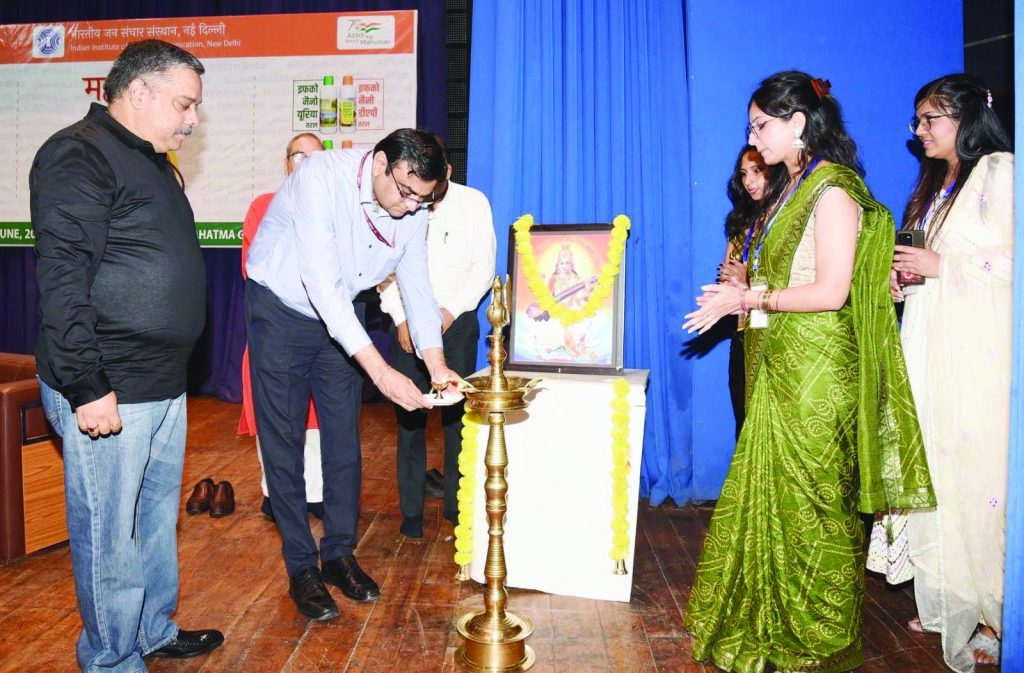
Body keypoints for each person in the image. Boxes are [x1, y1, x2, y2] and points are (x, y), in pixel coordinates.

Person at [681, 71, 935, 673]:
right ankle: (773, 620)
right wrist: (744, 287)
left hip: (821, 375)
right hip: (783, 365)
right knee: (780, 502)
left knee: (817, 506)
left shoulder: (833, 190)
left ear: (797, 123)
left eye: (760, 125)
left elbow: (831, 291)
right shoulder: (790, 190)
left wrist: (749, 298)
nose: (753, 137)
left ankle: (819, 637)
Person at [30, 40, 224, 671]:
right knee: (109, 534)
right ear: (138, 92)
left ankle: (151, 632)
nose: (192, 119)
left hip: (162, 384)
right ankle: (112, 659)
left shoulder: (153, 161)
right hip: (108, 383)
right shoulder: (78, 154)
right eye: (184, 104)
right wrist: (87, 384)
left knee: (153, 521)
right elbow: (62, 280)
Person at [245, 128, 462, 621]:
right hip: (282, 308)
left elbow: (417, 287)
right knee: (284, 441)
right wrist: (381, 373)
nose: (411, 207)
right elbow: (321, 286)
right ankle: (302, 566)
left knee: (344, 439)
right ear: (381, 163)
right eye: (406, 193)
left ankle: (339, 553)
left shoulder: (414, 207)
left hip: (343, 308)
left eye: (423, 199)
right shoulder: (320, 178)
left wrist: (437, 365)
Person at [892, 74, 1013, 671]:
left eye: (930, 119)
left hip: (977, 357)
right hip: (933, 348)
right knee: (939, 471)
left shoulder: (999, 172)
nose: (919, 131)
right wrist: (907, 278)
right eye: (917, 120)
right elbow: (935, 264)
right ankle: (954, 601)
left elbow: (1013, 260)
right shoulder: (939, 186)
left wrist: (944, 264)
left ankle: (999, 615)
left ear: (966, 119)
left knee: (979, 475)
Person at [378, 136, 496, 538]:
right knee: (409, 420)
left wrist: (448, 312)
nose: (423, 196)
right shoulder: (400, 202)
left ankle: (456, 508)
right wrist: (401, 318)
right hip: (406, 327)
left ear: (447, 171)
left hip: (457, 324)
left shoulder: (473, 203)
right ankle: (411, 512)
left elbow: (483, 268)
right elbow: (386, 268)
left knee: (457, 421)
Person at [239, 132, 326, 521]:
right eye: (298, 156)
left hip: (322, 333)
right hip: (275, 330)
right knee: (274, 418)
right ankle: (275, 491)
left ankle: (317, 493)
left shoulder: (335, 209)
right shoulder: (263, 207)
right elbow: (255, 269)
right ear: (286, 163)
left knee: (317, 423)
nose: (306, 164)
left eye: (315, 158)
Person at [716, 145, 783, 437]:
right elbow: (725, 277)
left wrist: (749, 279)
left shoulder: (788, 220)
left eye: (757, 171)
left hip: (778, 337)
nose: (749, 181)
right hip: (744, 335)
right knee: (744, 427)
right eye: (743, 174)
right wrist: (728, 284)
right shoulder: (741, 224)